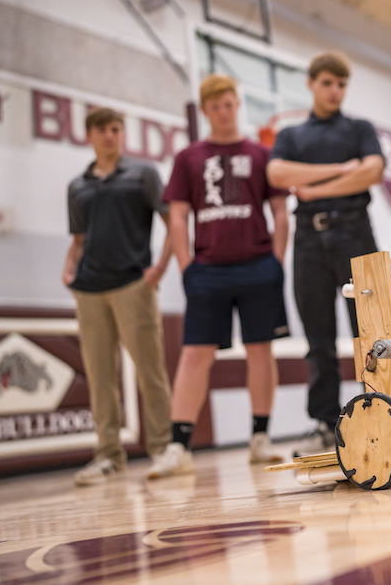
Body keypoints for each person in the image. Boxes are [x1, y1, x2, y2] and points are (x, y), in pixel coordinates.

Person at [148, 74, 291, 478]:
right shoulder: (188, 157)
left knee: (260, 350)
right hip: (207, 269)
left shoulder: (261, 154)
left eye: (229, 104)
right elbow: (177, 215)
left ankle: (260, 438)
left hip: (258, 265)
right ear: (205, 110)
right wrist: (184, 264)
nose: (224, 112)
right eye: (215, 106)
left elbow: (280, 211)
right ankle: (179, 446)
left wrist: (277, 260)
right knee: (195, 354)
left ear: (237, 104)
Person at [267, 52, 384, 455]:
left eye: (341, 84)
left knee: (370, 331)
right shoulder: (292, 135)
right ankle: (324, 422)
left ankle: (380, 411)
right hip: (308, 240)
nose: (335, 90)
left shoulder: (360, 127)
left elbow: (373, 170)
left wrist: (313, 187)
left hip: (355, 232)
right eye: (327, 83)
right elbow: (278, 175)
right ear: (312, 84)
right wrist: (340, 172)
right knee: (318, 338)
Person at [64, 108, 174, 486]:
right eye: (102, 129)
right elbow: (79, 239)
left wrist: (160, 267)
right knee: (99, 376)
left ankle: (162, 448)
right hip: (89, 290)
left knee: (150, 371)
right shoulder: (77, 186)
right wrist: (68, 268)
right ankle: (108, 455)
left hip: (133, 285)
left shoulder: (143, 174)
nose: (109, 135)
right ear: (89, 135)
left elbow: (171, 221)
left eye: (115, 129)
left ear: (122, 134)